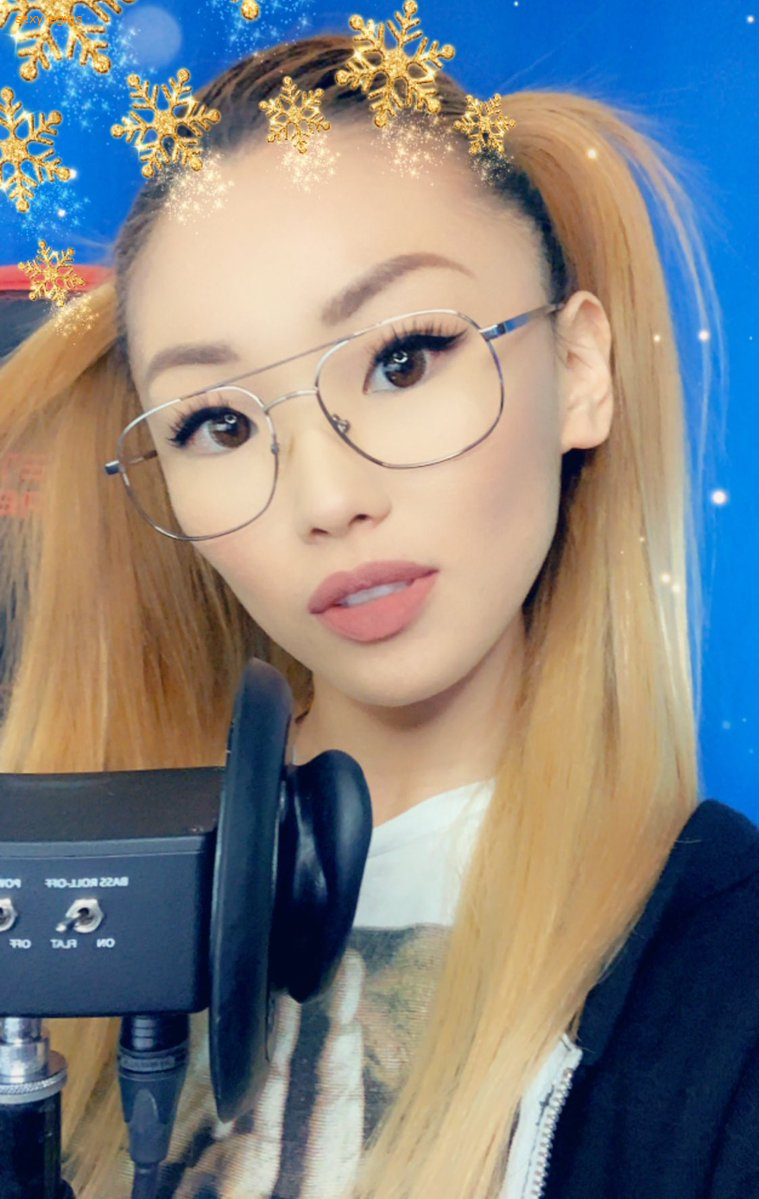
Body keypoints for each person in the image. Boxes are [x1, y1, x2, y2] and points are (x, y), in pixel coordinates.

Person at [0, 29, 756, 1199]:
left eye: (404, 359)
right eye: (219, 423)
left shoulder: (726, 981)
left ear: (580, 370)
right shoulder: (54, 909)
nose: (329, 497)